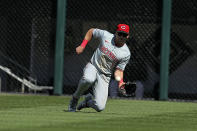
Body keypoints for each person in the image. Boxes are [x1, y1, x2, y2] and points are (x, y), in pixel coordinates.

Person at [68, 24, 131, 112]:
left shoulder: (126, 53)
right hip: (93, 66)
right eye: (120, 33)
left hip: (105, 75)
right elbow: (91, 31)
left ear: (128, 36)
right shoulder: (106, 35)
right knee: (88, 79)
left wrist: (120, 82)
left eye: (124, 35)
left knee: (100, 107)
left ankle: (87, 102)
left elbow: (119, 70)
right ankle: (75, 98)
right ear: (115, 33)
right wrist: (82, 45)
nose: (121, 37)